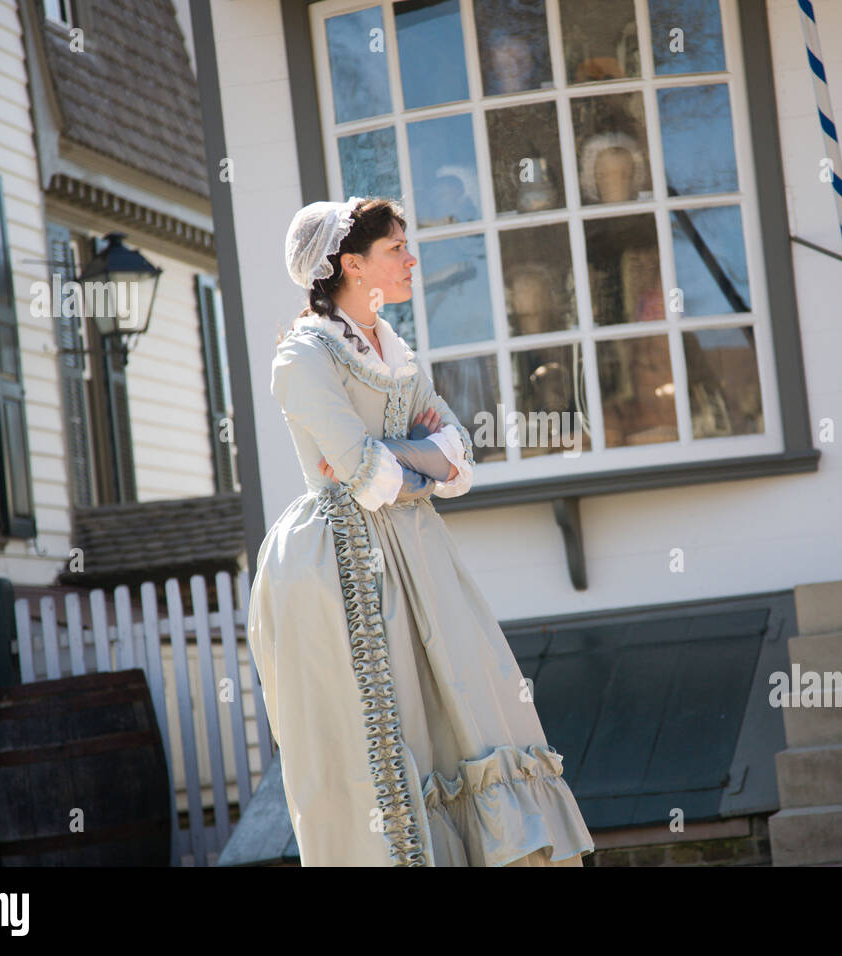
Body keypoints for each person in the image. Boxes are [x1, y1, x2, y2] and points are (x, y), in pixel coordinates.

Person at [246, 196, 595, 867]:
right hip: (342, 565)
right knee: (387, 731)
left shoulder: (395, 351)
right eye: (396, 249)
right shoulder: (303, 358)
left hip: (421, 553)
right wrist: (412, 454)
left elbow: (460, 459)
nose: (411, 260)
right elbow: (365, 478)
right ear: (352, 264)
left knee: (473, 707)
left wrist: (404, 456)